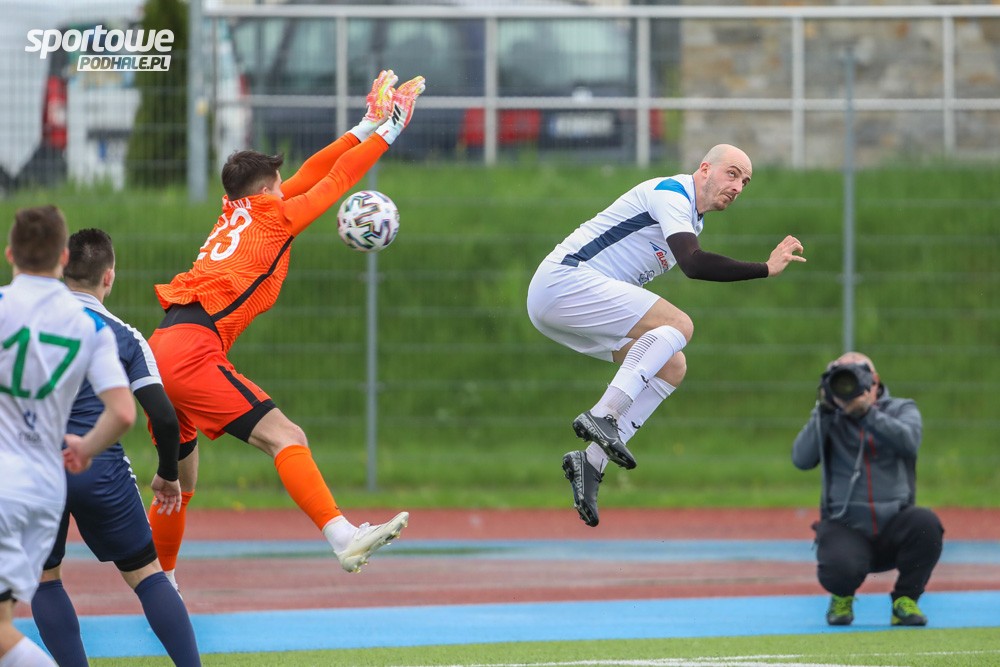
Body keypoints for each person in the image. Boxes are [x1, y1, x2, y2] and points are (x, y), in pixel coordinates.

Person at [146, 70, 425, 583]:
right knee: (285, 436)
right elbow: (336, 180)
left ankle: (160, 583)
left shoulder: (237, 212)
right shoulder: (274, 218)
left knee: (177, 483)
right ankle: (342, 535)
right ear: (267, 190)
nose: (286, 184)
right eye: (279, 181)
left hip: (160, 345)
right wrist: (392, 129)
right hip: (192, 352)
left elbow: (314, 172)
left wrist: (366, 123)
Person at [526, 144, 806, 527]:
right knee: (679, 325)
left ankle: (591, 461)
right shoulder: (672, 193)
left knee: (672, 366)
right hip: (564, 282)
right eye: (732, 173)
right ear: (704, 169)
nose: (738, 186)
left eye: (745, 181)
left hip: (559, 304)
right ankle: (604, 414)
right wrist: (765, 268)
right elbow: (694, 263)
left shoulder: (692, 218)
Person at [31, 229, 200, 666]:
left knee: (44, 578)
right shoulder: (124, 336)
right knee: (147, 575)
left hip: (33, 467)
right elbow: (164, 417)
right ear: (108, 276)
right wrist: (168, 473)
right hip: (97, 467)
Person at [0, 206, 135, 667]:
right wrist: (86, 446)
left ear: (10, 254)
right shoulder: (90, 326)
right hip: (44, 485)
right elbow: (123, 412)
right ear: (62, 256)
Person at [792, 351, 944, 627]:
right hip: (847, 524)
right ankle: (842, 594)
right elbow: (801, 459)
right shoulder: (828, 416)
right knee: (838, 567)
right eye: (840, 379)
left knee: (927, 525)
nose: (847, 386)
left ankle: (905, 599)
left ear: (874, 380)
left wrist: (867, 415)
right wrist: (823, 412)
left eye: (853, 378)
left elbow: (909, 442)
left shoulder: (901, 409)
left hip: (895, 523)